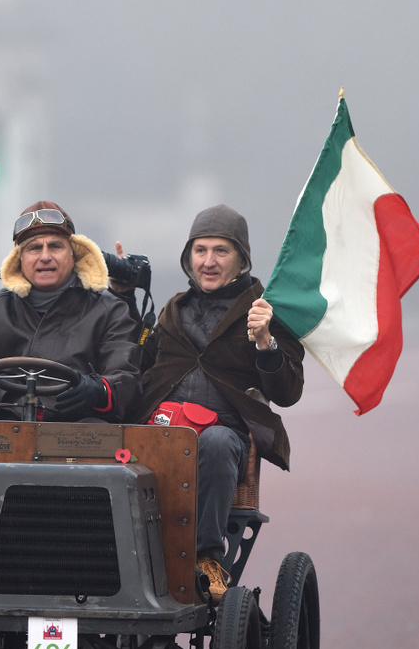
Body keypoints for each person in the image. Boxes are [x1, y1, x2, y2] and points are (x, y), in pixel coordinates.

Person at [125, 204, 304, 602]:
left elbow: (289, 392)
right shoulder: (172, 309)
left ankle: (207, 557)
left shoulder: (265, 310)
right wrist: (123, 298)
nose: (208, 261)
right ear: (188, 258)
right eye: (200, 250)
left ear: (242, 258)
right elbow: (133, 368)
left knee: (217, 442)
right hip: (159, 432)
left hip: (225, 441)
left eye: (221, 251)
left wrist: (265, 343)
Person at [0, 201, 141, 422]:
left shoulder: (109, 310)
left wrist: (99, 390)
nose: (45, 256)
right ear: (19, 259)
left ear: (73, 255)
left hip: (82, 438)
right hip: (8, 435)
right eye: (34, 248)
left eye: (55, 246)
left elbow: (127, 377)